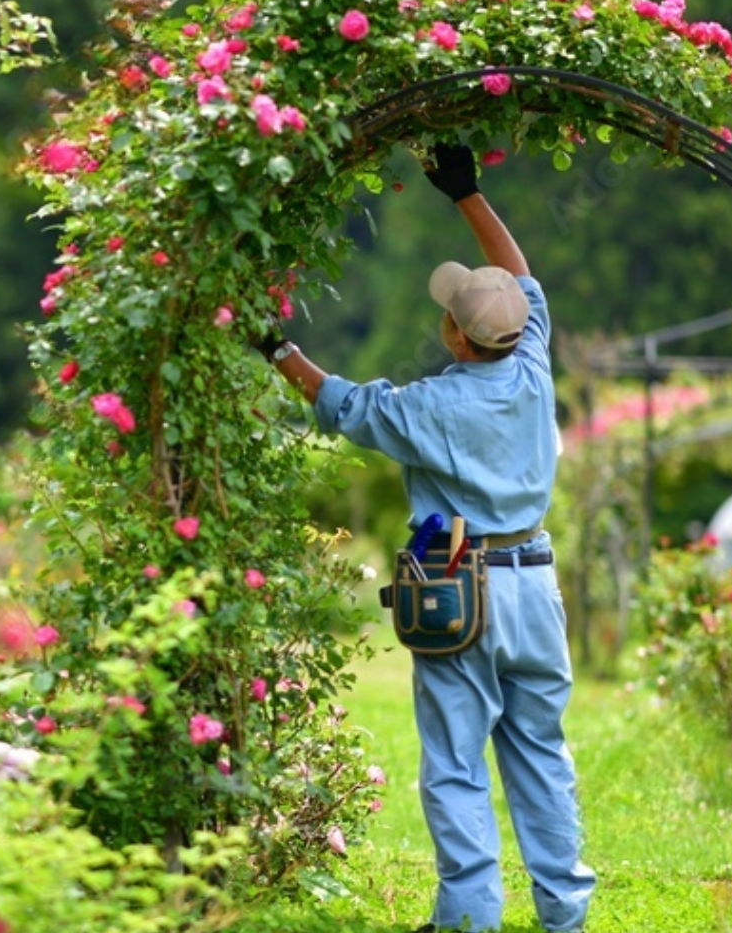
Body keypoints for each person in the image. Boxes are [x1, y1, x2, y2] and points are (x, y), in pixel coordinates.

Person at [255, 144, 596, 933]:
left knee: (453, 765)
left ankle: (469, 920)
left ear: (456, 337)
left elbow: (338, 403)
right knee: (541, 754)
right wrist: (469, 194)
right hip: (535, 584)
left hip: (459, 589)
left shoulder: (426, 408)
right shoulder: (535, 360)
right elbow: (522, 276)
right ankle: (565, 915)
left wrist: (277, 348)